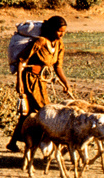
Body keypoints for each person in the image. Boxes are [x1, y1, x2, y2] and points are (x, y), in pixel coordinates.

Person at [6, 15, 72, 152]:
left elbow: (58, 67)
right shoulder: (40, 42)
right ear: (52, 29)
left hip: (41, 80)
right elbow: (21, 60)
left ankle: (13, 142)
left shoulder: (59, 45)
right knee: (42, 110)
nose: (62, 34)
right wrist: (19, 82)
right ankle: (52, 144)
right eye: (59, 31)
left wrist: (66, 84)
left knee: (28, 112)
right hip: (29, 78)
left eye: (64, 32)